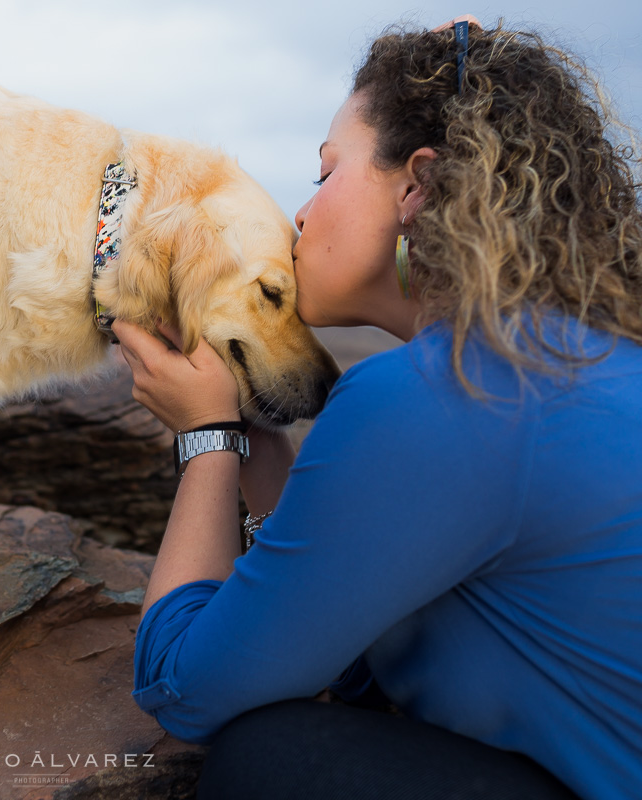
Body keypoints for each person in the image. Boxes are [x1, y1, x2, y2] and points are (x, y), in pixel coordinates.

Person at [115, 16, 642, 800]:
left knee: (274, 759)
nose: (300, 213)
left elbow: (187, 687)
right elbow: (354, 646)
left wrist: (207, 437)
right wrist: (261, 448)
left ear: (417, 187)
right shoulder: (560, 358)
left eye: (326, 174)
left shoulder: (446, 391)